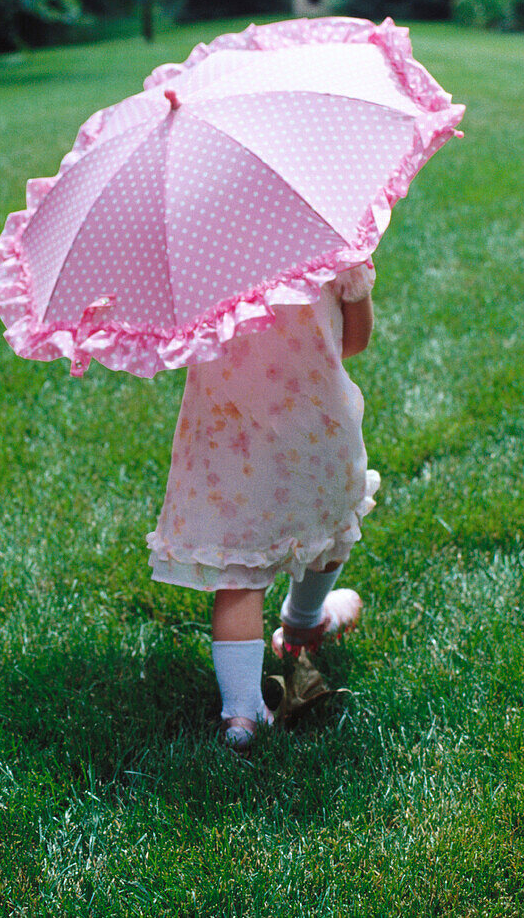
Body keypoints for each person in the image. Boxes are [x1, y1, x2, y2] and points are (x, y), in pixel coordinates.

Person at [147, 261, 379, 749]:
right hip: (314, 431)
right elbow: (354, 342)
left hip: (226, 442)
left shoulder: (197, 266)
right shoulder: (329, 251)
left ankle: (242, 716)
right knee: (329, 528)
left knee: (238, 573)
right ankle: (302, 621)